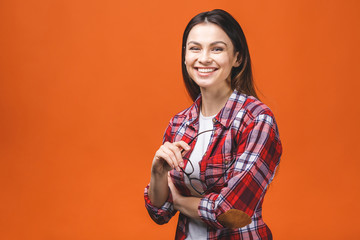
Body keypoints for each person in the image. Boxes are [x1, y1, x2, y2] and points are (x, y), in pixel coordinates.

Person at [144, 9, 282, 240]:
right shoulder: (179, 123)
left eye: (217, 48)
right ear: (185, 56)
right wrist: (157, 173)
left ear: (237, 58)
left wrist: (177, 200)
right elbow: (160, 211)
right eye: (195, 48)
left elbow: (230, 211)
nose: (204, 58)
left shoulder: (256, 119)